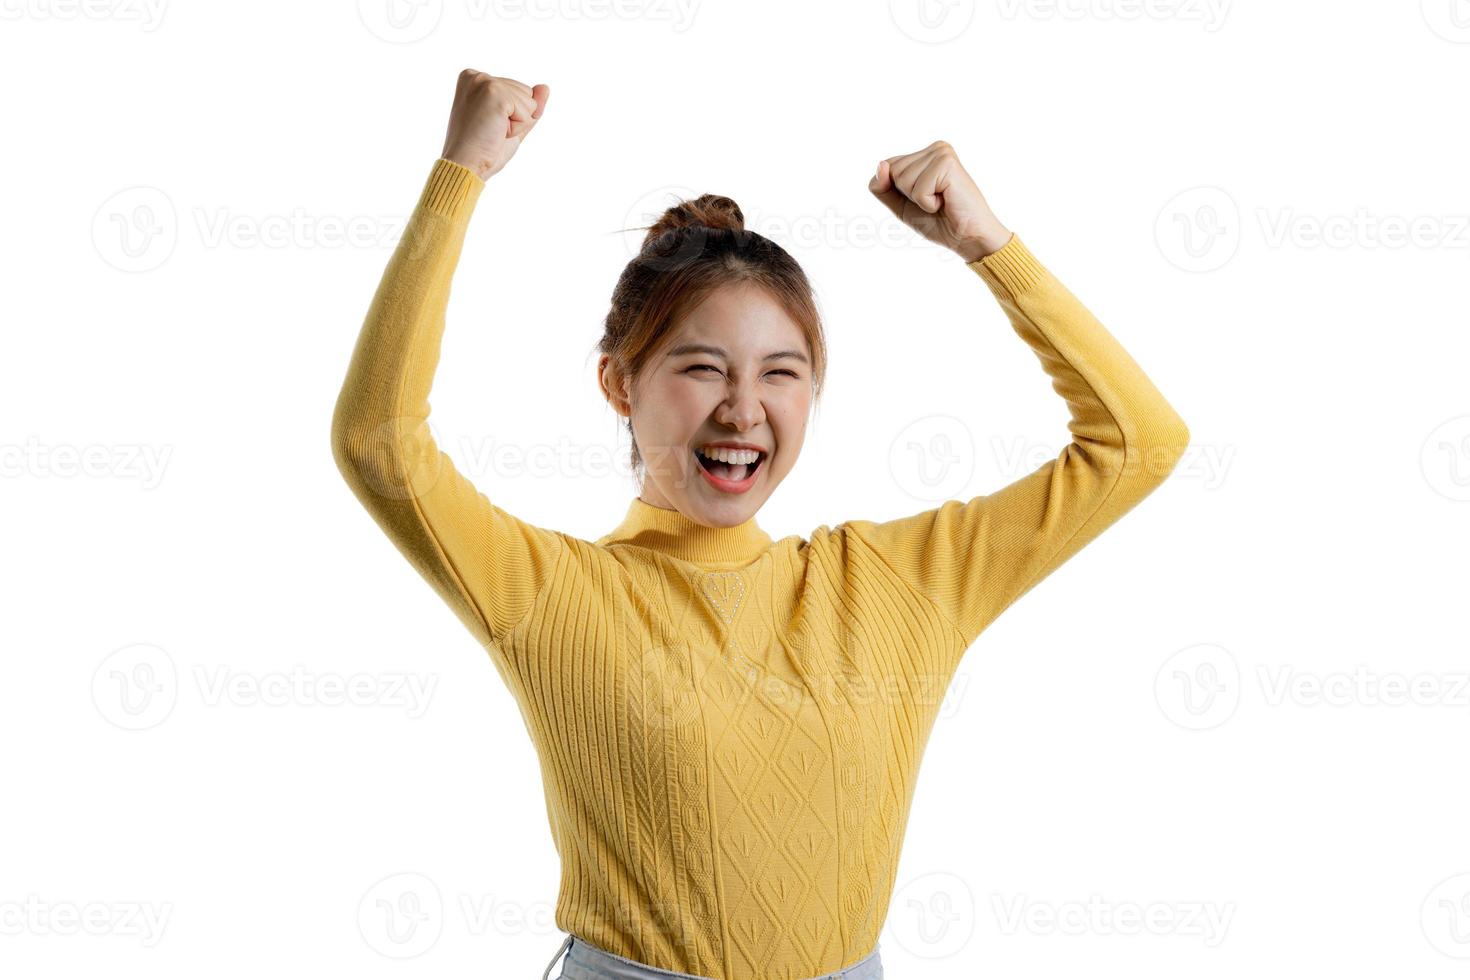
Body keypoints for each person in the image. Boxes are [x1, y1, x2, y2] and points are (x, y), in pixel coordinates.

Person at [330, 69, 1189, 980]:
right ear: (619, 383)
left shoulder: (896, 583)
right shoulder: (551, 594)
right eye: (703, 368)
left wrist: (987, 246)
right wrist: (459, 175)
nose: (744, 411)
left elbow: (1139, 443)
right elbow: (377, 441)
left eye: (781, 373)